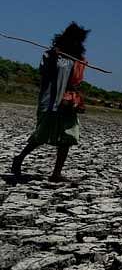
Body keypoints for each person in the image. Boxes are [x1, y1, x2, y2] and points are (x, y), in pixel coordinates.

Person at [11, 22, 90, 182]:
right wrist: (54, 57)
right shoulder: (50, 55)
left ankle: (56, 173)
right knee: (41, 135)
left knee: (68, 136)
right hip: (50, 101)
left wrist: (78, 99)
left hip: (68, 103)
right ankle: (19, 158)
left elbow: (77, 82)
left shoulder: (79, 59)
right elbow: (44, 73)